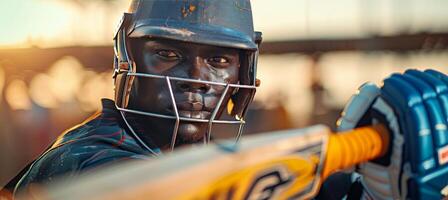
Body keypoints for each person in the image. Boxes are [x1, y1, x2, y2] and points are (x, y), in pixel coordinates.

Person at [1, 0, 447, 199]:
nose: (196, 80)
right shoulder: (86, 159)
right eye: (169, 54)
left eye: (218, 59)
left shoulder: (187, 152)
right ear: (129, 59)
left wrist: (361, 186)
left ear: (244, 73)